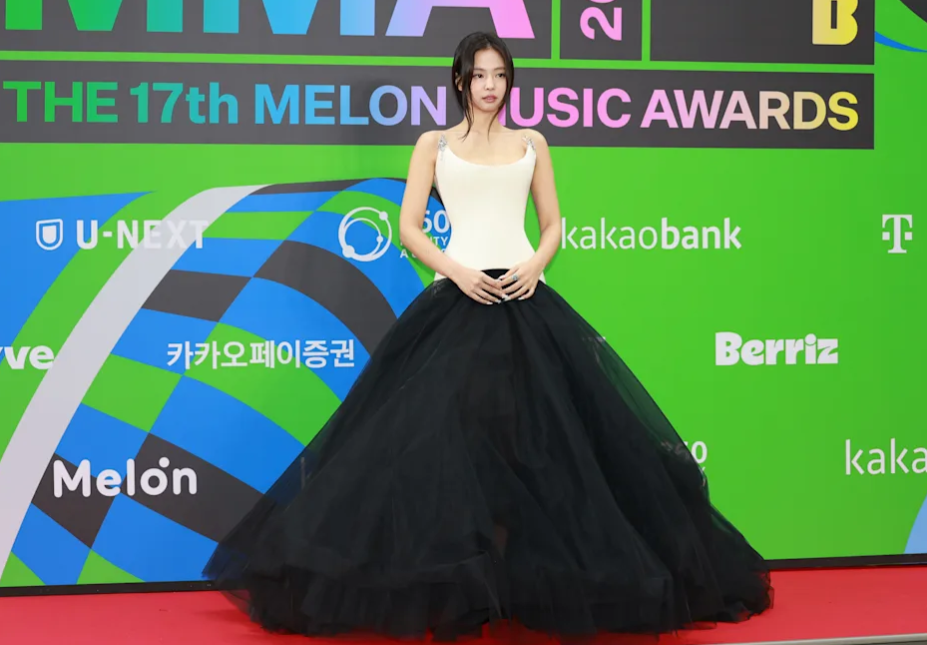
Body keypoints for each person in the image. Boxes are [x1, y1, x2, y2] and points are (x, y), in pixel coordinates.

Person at [202, 32, 773, 640]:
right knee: (443, 450)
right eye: (480, 75)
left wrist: (536, 265)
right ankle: (458, 590)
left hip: (527, 304)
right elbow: (410, 228)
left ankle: (533, 585)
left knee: (547, 451)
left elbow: (552, 223)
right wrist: (458, 272)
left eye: (500, 75)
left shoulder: (532, 143)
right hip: (459, 301)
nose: (491, 86)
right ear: (460, 81)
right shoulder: (435, 145)